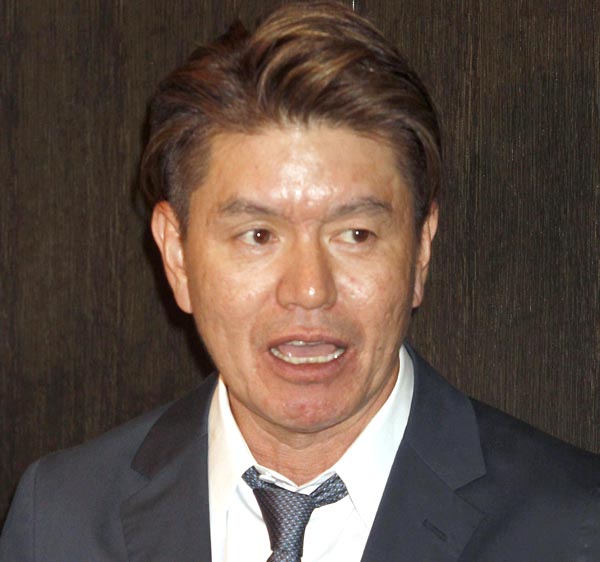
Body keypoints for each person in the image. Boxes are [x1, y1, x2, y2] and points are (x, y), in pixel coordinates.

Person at [1, 1, 599, 561]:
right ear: (177, 256)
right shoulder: (59, 519)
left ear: (420, 250)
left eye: (355, 234)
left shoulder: (575, 526)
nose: (310, 290)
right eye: (258, 235)